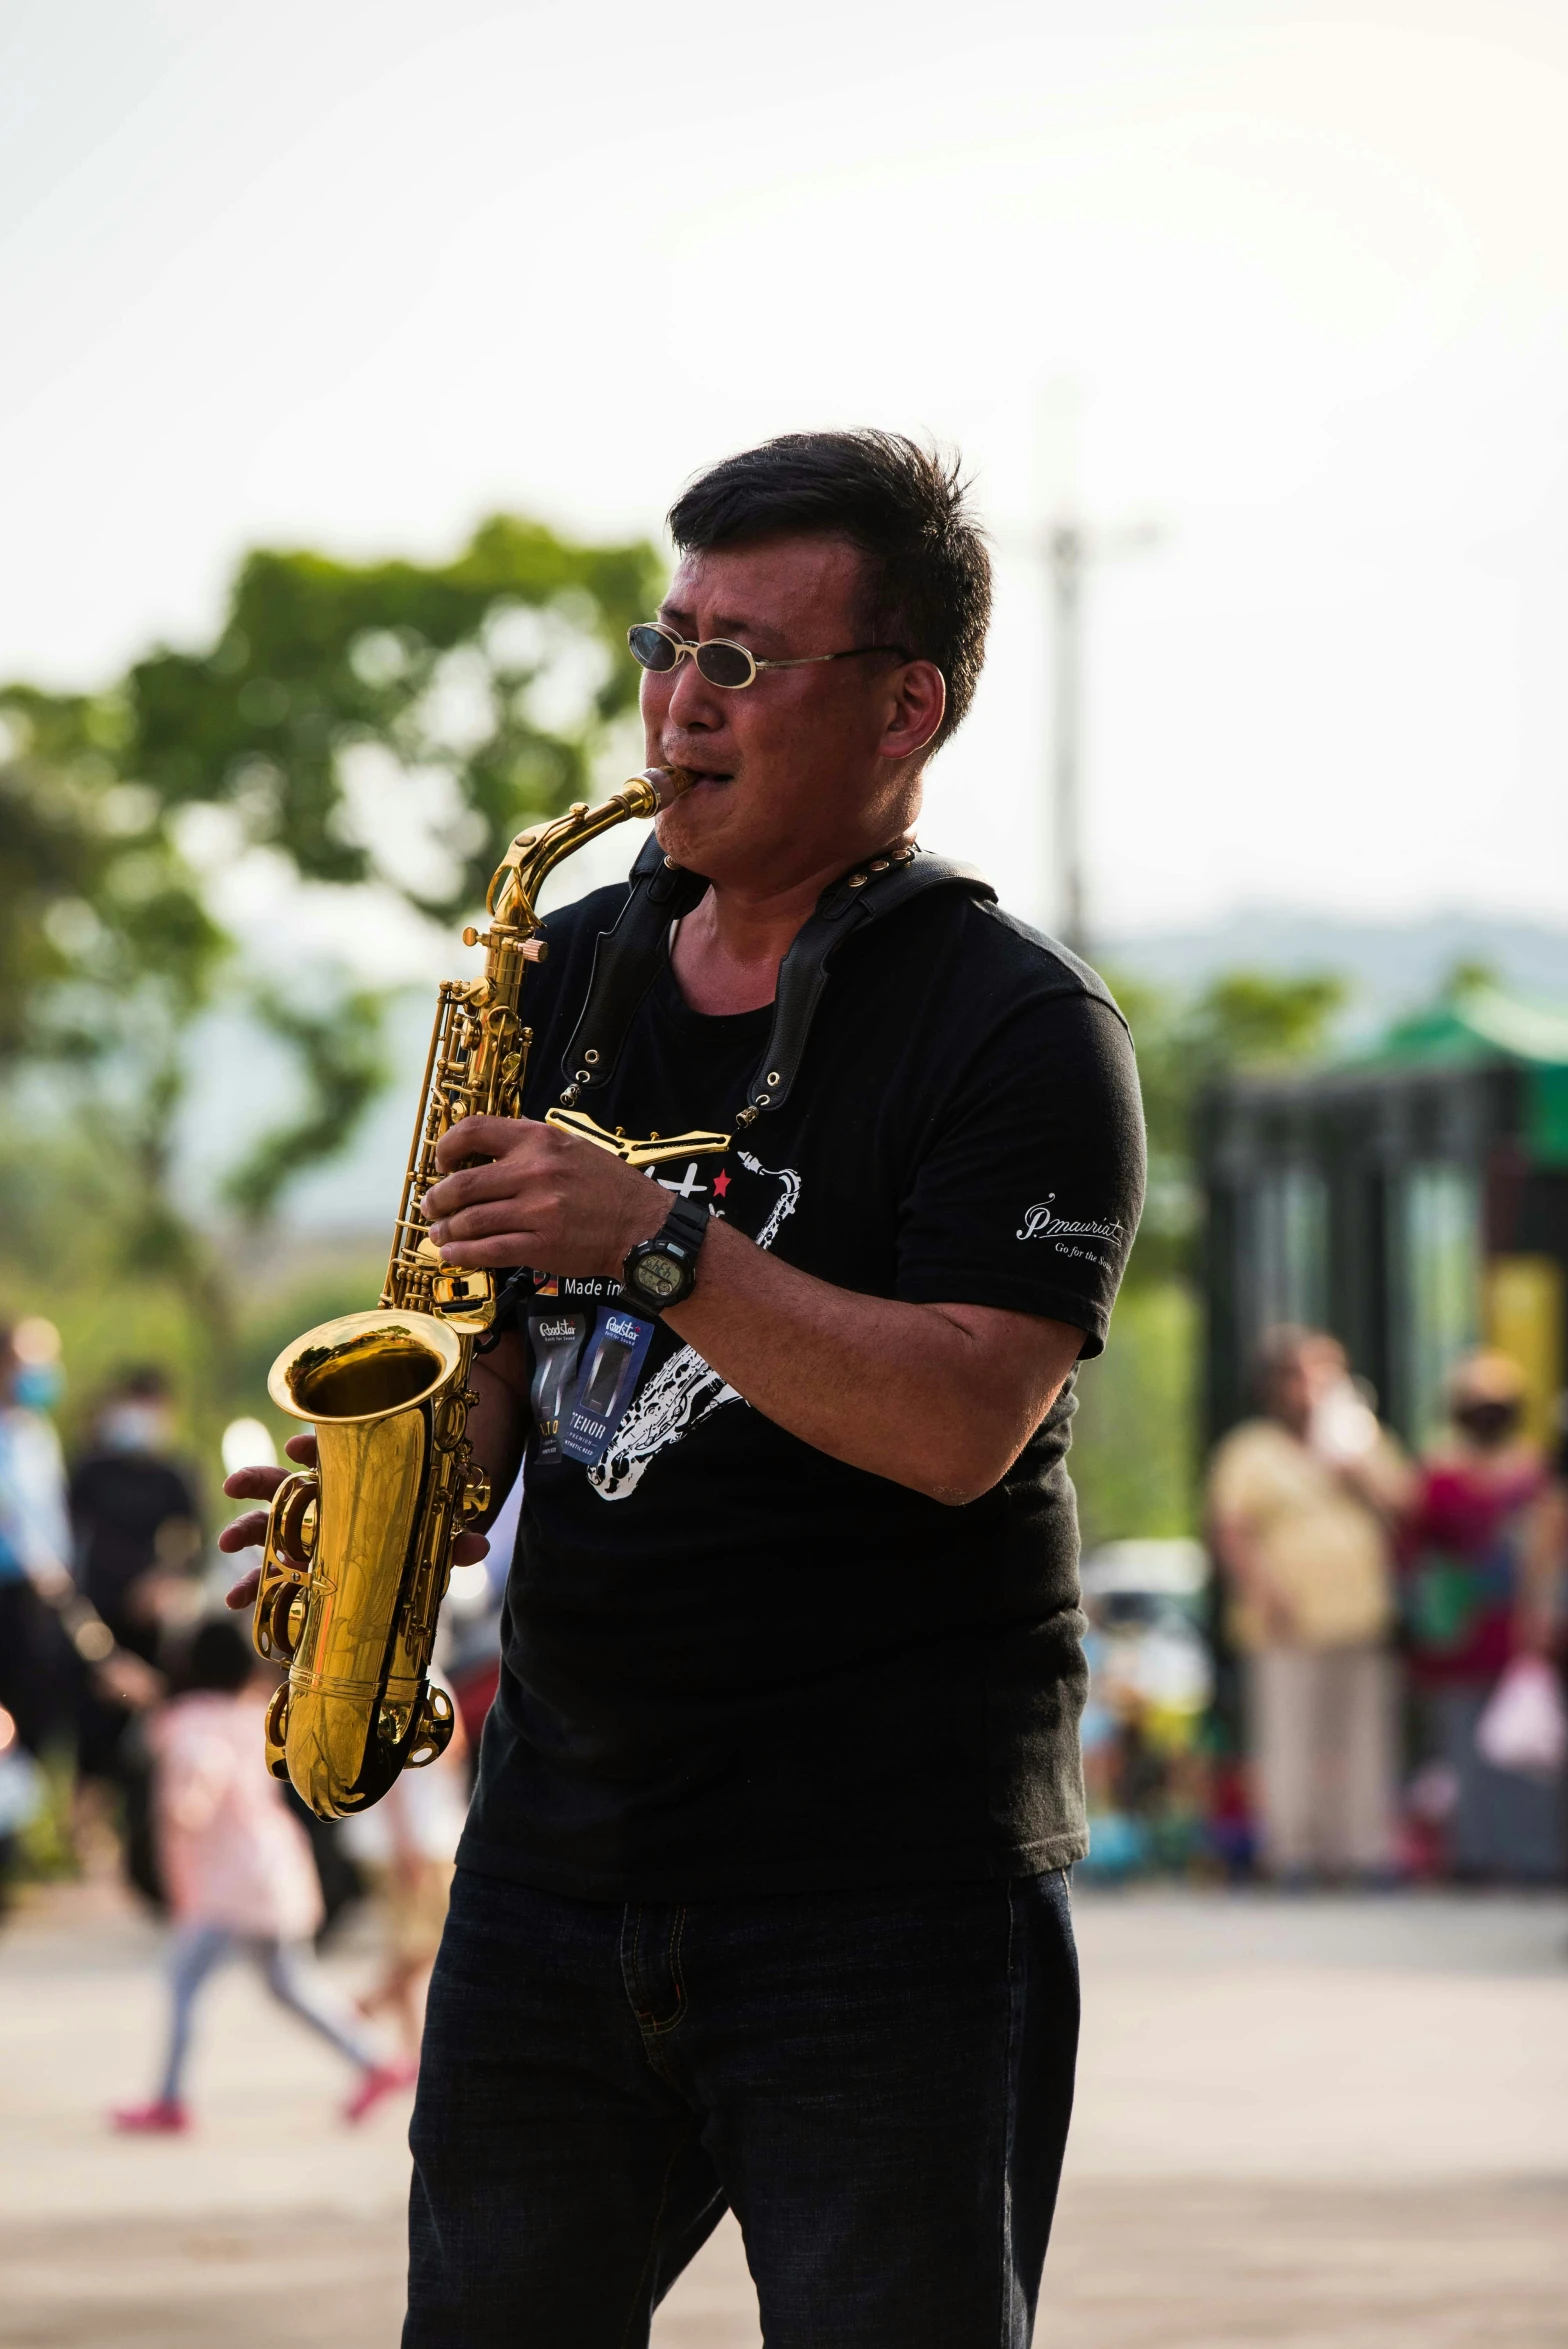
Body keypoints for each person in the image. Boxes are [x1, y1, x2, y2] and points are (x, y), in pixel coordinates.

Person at [224, 430, 1146, 2348]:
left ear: (909, 706)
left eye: (743, 659)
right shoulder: (560, 968)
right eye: (669, 641)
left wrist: (659, 1239)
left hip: (883, 1888)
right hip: (561, 1861)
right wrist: (375, 1517)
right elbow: (490, 1370)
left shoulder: (1019, 1028)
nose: (675, 703)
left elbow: (959, 1418)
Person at [112, 1615, 410, 2134]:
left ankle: (169, 2100)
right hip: (271, 1871)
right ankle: (376, 2061)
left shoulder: (188, 1723)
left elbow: (201, 1760)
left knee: (186, 1978)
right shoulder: (252, 1714)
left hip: (234, 1885)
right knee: (288, 1983)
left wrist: (187, 1806)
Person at [1208, 1325, 1412, 1883]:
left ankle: (1366, 1852)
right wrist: (1265, 1592)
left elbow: (1405, 1507)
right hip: (1286, 1620)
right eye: (1302, 1375)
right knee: (1290, 1736)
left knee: (1363, 1737)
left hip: (1360, 1615)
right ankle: (1293, 1852)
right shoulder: (1249, 1451)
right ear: (1277, 1386)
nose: (1314, 1387)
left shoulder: (1364, 1441)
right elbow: (1232, 1530)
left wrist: (1359, 1473)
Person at [1405, 1350, 1559, 1878]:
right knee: (1465, 1746)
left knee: (1531, 1747)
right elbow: (1415, 1551)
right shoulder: (1436, 1472)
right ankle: (1474, 1855)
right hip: (1459, 1634)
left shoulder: (1535, 1471)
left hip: (1524, 1631)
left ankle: (1535, 1856)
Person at [70, 1367, 203, 1872]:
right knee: (95, 1725)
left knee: (148, 1720)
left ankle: (147, 1835)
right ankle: (83, 1834)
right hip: (95, 1619)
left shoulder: (174, 1473)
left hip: (151, 1621)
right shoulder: (92, 1470)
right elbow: (64, 1541)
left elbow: (197, 1541)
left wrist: (168, 1581)